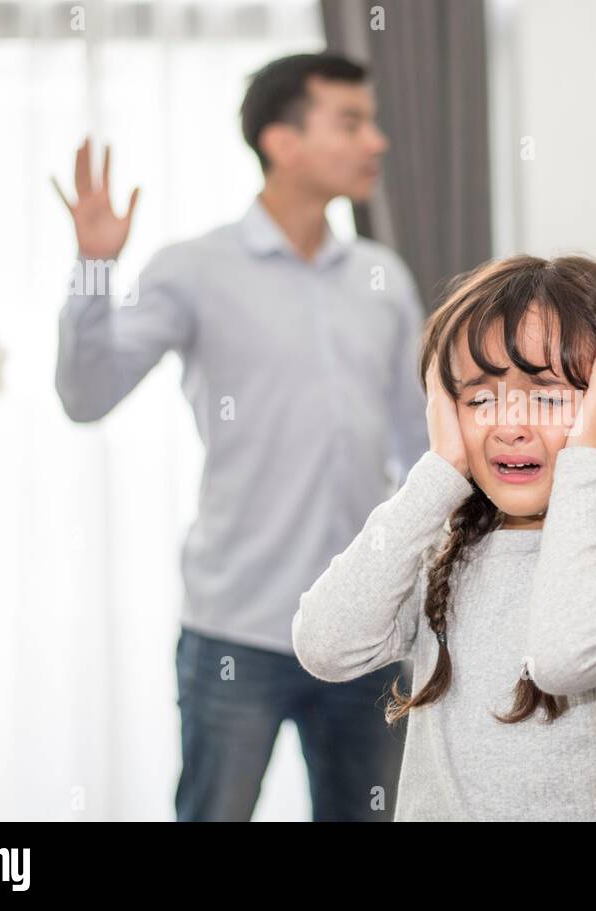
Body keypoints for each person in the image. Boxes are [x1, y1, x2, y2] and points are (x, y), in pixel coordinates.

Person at [50, 53, 429, 821]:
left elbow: (419, 442)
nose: (377, 142)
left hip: (366, 630)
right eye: (351, 122)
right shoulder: (194, 268)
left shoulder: (382, 276)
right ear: (281, 141)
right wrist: (95, 269)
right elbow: (87, 395)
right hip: (236, 632)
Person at [292, 255, 596, 820]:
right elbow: (325, 644)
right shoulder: (440, 550)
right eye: (480, 398)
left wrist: (589, 462)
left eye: (548, 395)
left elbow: (566, 658)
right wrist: (439, 471)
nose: (511, 425)